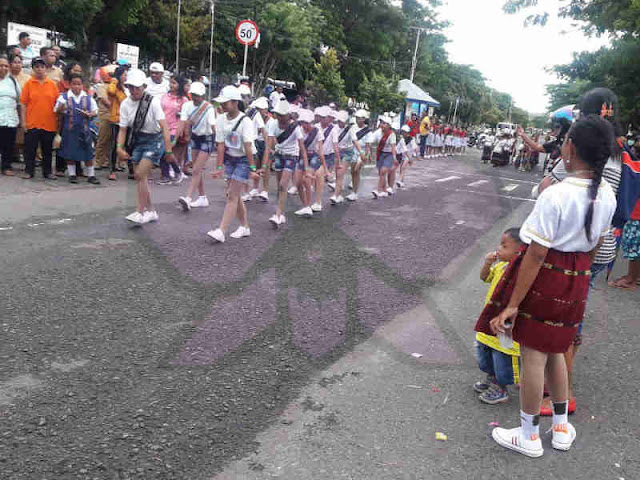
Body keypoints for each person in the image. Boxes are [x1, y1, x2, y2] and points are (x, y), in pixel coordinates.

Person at [476, 114, 617, 458]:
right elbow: (595, 246)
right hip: (578, 277)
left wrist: (512, 304)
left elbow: (535, 256)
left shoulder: (556, 194)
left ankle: (528, 435)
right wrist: (579, 274)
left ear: (569, 148)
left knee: (533, 356)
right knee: (557, 348)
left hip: (549, 276)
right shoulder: (608, 193)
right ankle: (560, 426)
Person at [115, 69, 175, 224]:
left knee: (140, 174)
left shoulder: (152, 102)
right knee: (141, 178)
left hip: (153, 139)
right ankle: (151, 211)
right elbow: (122, 129)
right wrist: (119, 147)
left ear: (143, 87)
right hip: (137, 139)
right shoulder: (125, 104)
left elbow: (164, 127)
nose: (134, 91)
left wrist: (168, 150)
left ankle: (139, 211)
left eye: (137, 87)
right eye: (131, 87)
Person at [474, 228, 523, 405]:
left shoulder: (522, 273)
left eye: (504, 246)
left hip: (507, 322)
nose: (499, 248)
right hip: (489, 317)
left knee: (503, 355)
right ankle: (491, 377)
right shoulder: (501, 265)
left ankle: (501, 387)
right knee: (483, 350)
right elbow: (484, 277)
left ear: (519, 251)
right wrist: (487, 263)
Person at [207, 85, 257, 242]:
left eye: (225, 103)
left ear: (235, 102)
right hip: (230, 158)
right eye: (221, 103)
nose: (222, 106)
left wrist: (252, 168)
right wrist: (220, 167)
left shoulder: (246, 121)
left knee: (232, 195)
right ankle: (245, 227)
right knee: (234, 195)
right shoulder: (220, 119)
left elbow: (248, 146)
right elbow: (220, 145)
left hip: (243, 159)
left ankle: (221, 231)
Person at [264, 100, 307, 227]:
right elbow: (269, 145)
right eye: (277, 114)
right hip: (279, 155)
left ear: (288, 115)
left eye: (282, 115)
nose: (279, 117)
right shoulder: (273, 124)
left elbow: (302, 148)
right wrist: (264, 166)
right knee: (280, 186)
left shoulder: (296, 128)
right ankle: (281, 213)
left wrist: (306, 167)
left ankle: (277, 214)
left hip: (291, 156)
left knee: (283, 184)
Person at [54, 73, 100, 185]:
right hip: (69, 130)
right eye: (74, 84)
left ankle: (91, 175)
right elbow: (56, 111)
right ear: (69, 85)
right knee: (70, 153)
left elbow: (95, 111)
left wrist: (90, 114)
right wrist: (61, 107)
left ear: (82, 85)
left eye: (79, 84)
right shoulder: (64, 97)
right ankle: (72, 174)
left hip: (84, 131)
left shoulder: (88, 98)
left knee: (88, 153)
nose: (76, 87)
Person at [177, 81, 216, 211]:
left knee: (196, 170)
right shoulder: (187, 106)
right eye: (193, 94)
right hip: (195, 137)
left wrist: (220, 142)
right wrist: (174, 139)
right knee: (196, 169)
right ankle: (202, 197)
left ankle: (188, 197)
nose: (195, 97)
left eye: (198, 95)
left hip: (207, 138)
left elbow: (213, 126)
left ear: (203, 96)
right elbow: (182, 123)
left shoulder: (209, 108)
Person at [19, 57, 60, 180]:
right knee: (30, 150)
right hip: (32, 122)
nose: (40, 69)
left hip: (49, 123)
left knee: (47, 150)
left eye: (42, 66)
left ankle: (47, 172)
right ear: (33, 69)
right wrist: (23, 121)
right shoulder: (28, 84)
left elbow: (58, 104)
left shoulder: (52, 85)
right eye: (36, 67)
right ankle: (28, 171)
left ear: (46, 69)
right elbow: (23, 104)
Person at [158, 75, 189, 185]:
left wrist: (182, 133)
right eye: (171, 82)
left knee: (165, 152)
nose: (171, 85)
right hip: (162, 128)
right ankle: (176, 171)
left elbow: (184, 118)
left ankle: (167, 176)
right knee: (164, 153)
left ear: (179, 85)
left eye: (174, 83)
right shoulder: (165, 96)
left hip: (174, 129)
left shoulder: (183, 100)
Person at [298, 108, 326, 214]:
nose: (303, 125)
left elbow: (320, 150)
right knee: (299, 181)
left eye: (305, 123)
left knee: (307, 179)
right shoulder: (299, 130)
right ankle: (306, 205)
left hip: (313, 156)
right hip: (302, 156)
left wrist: (325, 168)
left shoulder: (317, 132)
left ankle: (308, 206)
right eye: (302, 122)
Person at [0, 55, 23, 176]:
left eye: (5, 66)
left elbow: (20, 102)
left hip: (10, 118)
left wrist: (21, 120)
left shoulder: (13, 81)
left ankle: (6, 166)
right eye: (1, 65)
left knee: (8, 144)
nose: (3, 68)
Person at [334, 110, 363, 204]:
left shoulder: (350, 129)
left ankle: (353, 192)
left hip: (349, 153)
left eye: (341, 121)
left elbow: (355, 141)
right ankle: (337, 195)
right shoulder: (334, 128)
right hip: (338, 152)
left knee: (353, 172)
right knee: (339, 174)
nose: (340, 123)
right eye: (338, 121)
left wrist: (361, 152)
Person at [107, 66, 128, 181]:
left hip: (128, 120)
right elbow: (110, 91)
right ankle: (112, 170)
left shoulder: (128, 87)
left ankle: (126, 166)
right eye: (124, 74)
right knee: (115, 145)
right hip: (116, 120)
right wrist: (114, 80)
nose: (126, 77)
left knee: (127, 144)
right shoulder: (115, 86)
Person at [247, 97, 270, 201]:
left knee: (265, 167)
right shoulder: (255, 114)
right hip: (254, 142)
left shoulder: (270, 120)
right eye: (263, 109)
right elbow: (262, 129)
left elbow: (264, 131)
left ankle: (265, 190)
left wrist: (267, 145)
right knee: (255, 166)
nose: (264, 111)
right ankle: (255, 188)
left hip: (261, 143)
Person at [346, 109, 372, 201]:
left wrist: (366, 155)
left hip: (363, 152)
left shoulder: (368, 130)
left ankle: (355, 192)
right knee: (353, 171)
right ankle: (353, 191)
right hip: (355, 151)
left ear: (364, 119)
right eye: (357, 118)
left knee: (357, 170)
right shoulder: (353, 128)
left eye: (359, 118)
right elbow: (354, 140)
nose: (357, 120)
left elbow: (368, 145)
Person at [370, 116, 397, 198]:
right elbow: (370, 142)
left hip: (389, 155)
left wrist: (394, 157)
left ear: (389, 125)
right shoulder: (378, 132)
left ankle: (378, 190)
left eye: (384, 123)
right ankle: (384, 190)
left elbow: (393, 147)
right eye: (381, 123)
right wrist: (371, 154)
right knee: (381, 173)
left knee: (383, 171)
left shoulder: (391, 134)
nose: (382, 125)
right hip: (380, 153)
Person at [93, 68, 113, 170]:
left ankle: (106, 161)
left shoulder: (115, 86)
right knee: (102, 140)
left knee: (111, 141)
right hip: (105, 116)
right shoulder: (101, 87)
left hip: (114, 117)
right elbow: (105, 100)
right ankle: (98, 161)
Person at [396, 124, 418, 188]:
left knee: (403, 167)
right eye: (402, 131)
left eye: (404, 132)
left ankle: (399, 181)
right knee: (401, 168)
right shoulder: (401, 139)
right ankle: (402, 182)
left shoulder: (411, 139)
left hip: (408, 155)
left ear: (407, 132)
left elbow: (415, 147)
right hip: (402, 154)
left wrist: (415, 155)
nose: (403, 133)